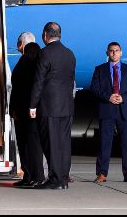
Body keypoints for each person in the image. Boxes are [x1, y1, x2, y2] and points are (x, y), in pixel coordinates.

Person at [29, 22, 76, 190]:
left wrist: (32, 105)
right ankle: (63, 178)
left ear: (45, 35)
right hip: (67, 106)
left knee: (51, 143)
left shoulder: (45, 53)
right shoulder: (70, 54)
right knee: (63, 144)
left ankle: (55, 179)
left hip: (49, 106)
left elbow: (38, 81)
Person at [90, 41, 127, 184]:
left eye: (117, 50)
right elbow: (94, 88)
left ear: (121, 53)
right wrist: (108, 96)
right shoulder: (99, 70)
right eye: (111, 51)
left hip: (125, 111)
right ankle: (102, 173)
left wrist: (123, 97)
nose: (114, 53)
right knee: (104, 143)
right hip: (107, 109)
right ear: (107, 53)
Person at [10, 41, 45, 188]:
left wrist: (13, 109)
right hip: (34, 112)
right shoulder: (39, 66)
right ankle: (38, 176)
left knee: (23, 145)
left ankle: (29, 176)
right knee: (35, 146)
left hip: (21, 111)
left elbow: (15, 88)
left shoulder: (22, 63)